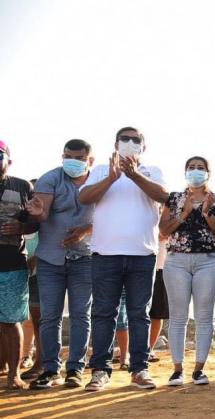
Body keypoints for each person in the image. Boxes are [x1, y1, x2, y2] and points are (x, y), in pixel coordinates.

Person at [80, 126, 167, 391]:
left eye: (135, 139)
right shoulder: (100, 170)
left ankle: (139, 369)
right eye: (124, 138)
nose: (130, 142)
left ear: (143, 146)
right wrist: (111, 178)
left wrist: (134, 174)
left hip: (142, 255)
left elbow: (163, 196)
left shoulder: (152, 171)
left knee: (139, 314)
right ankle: (100, 371)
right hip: (105, 254)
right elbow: (84, 197)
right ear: (116, 143)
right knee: (104, 313)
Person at [26, 139, 95, 389]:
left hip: (85, 257)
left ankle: (75, 369)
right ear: (62, 156)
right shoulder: (49, 179)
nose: (72, 161)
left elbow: (109, 216)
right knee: (49, 316)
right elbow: (42, 212)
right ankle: (50, 369)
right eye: (68, 156)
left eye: (79, 158)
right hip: (50, 258)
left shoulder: (99, 181)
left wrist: (86, 230)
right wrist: (36, 213)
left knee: (81, 315)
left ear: (90, 160)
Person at [159, 156, 215, 386]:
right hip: (176, 261)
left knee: (204, 316)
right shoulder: (174, 199)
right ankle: (177, 370)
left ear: (208, 173)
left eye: (201, 168)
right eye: (191, 167)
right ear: (185, 171)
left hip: (207, 261)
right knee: (178, 317)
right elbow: (163, 231)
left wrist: (207, 213)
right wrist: (184, 213)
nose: (196, 171)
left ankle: (199, 370)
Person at [0, 139, 38, 389]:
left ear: (8, 160)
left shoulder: (23, 186)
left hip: (11, 263)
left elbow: (37, 221)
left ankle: (14, 375)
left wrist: (21, 227)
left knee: (10, 320)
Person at [20, 178, 42, 380]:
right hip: (16, 272)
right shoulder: (18, 217)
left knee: (38, 318)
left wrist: (35, 259)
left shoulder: (42, 220)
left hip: (39, 274)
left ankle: (40, 361)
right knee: (20, 320)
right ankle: (23, 356)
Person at [147, 236, 169, 363]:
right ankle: (126, 352)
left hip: (162, 267)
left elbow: (164, 234)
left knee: (157, 312)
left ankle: (149, 349)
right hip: (139, 265)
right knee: (132, 312)